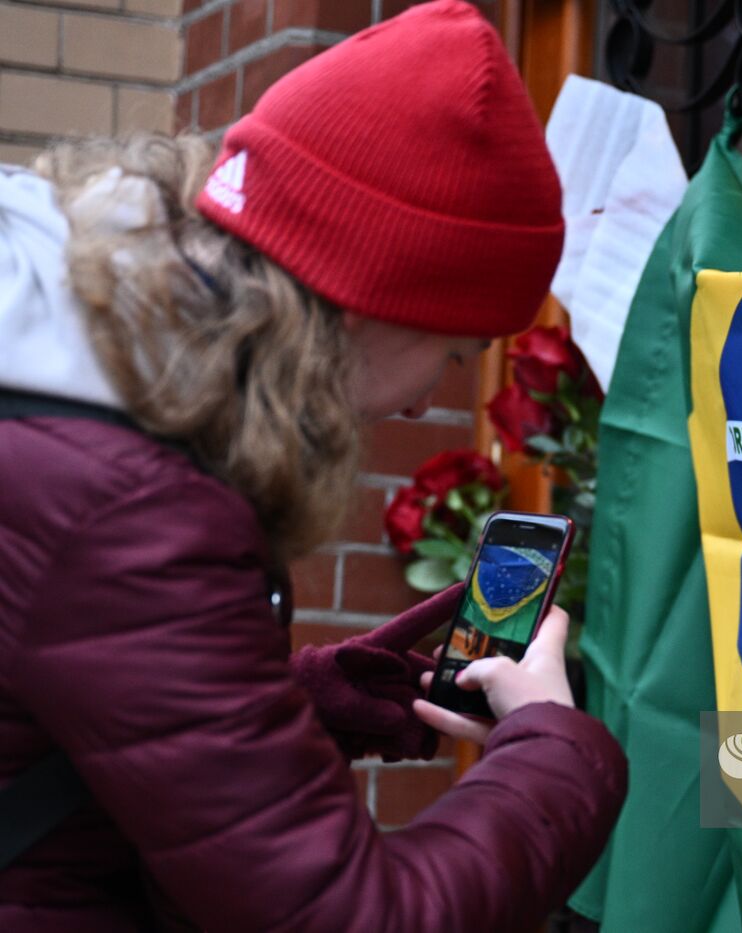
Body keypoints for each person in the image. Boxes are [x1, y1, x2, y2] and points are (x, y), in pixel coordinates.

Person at [0, 1, 626, 930]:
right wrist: (559, 751)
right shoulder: (131, 505)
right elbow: (351, 916)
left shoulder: (74, 358)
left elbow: (71, 694)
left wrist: (300, 702)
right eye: (453, 352)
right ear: (374, 297)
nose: (423, 403)